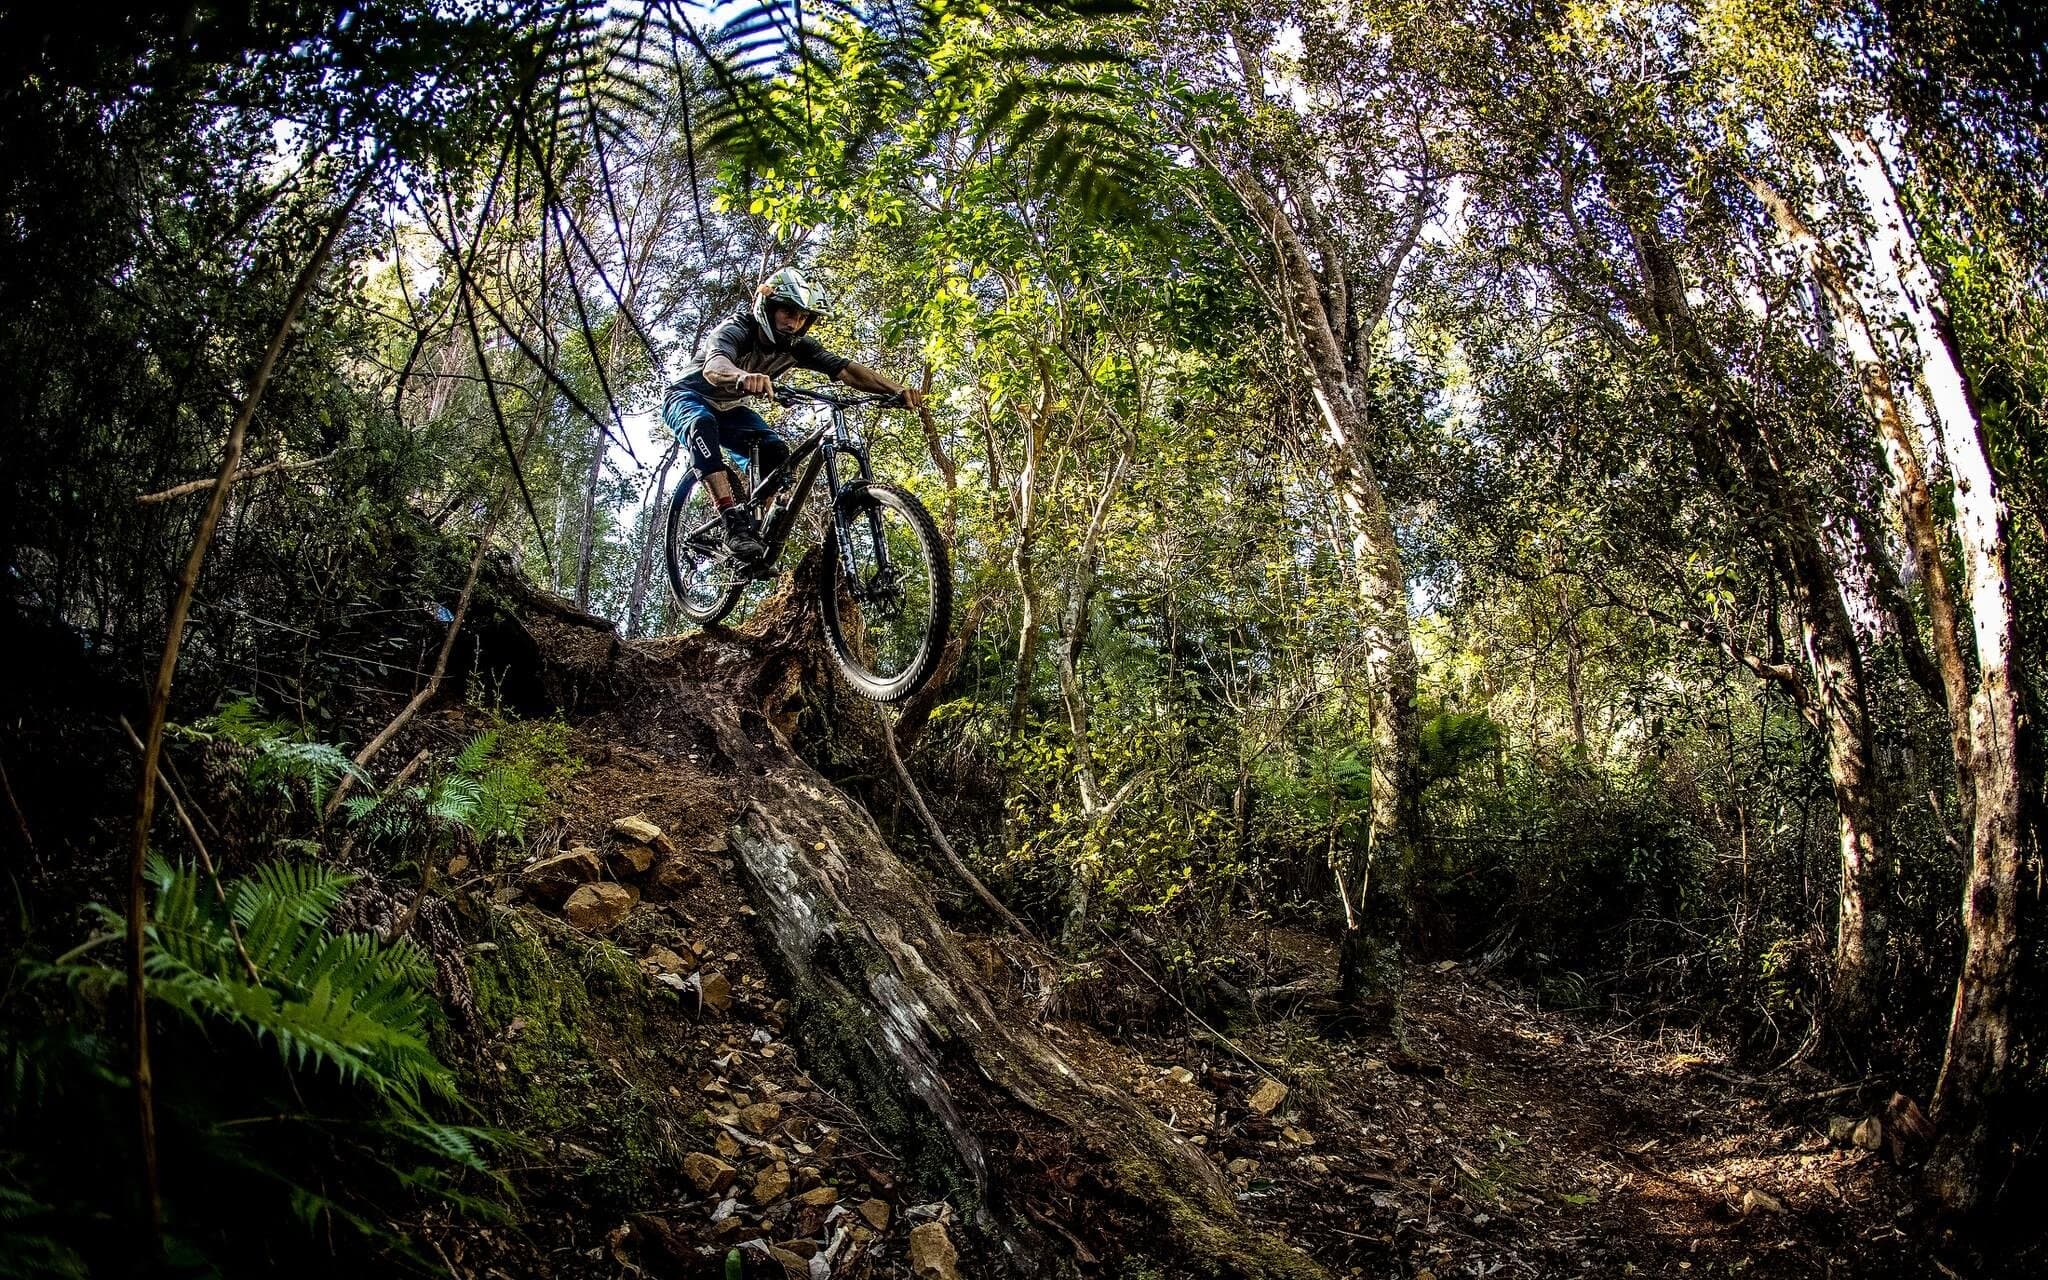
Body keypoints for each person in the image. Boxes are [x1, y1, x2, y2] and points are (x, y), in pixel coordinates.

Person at [662, 267, 924, 565]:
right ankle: (731, 521)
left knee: (776, 453)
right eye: (788, 312)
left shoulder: (798, 346)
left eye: (802, 318)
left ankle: (754, 528)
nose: (795, 323)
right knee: (701, 424)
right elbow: (714, 367)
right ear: (768, 308)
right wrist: (743, 376)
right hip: (688, 396)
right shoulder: (737, 329)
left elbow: (846, 369)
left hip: (731, 410)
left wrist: (898, 390)